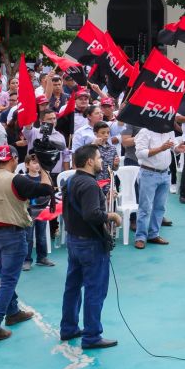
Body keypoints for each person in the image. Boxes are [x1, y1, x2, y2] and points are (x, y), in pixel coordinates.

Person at [0, 148, 55, 343]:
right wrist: (44, 169)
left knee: (5, 276)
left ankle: (13, 312)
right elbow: (46, 190)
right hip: (12, 233)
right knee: (9, 280)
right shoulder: (16, 180)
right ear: (14, 160)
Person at [59, 145, 121, 350]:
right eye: (98, 158)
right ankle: (92, 335)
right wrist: (110, 216)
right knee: (95, 290)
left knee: (73, 286)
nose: (101, 161)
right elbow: (92, 214)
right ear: (89, 162)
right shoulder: (90, 185)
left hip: (74, 241)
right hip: (91, 244)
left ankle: (68, 328)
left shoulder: (70, 181)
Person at [131, 121, 178, 250]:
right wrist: (161, 148)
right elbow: (139, 153)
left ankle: (153, 235)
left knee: (160, 207)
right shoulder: (145, 131)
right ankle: (140, 237)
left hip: (165, 173)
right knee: (145, 207)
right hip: (148, 173)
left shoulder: (169, 131)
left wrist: (179, 149)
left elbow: (174, 147)